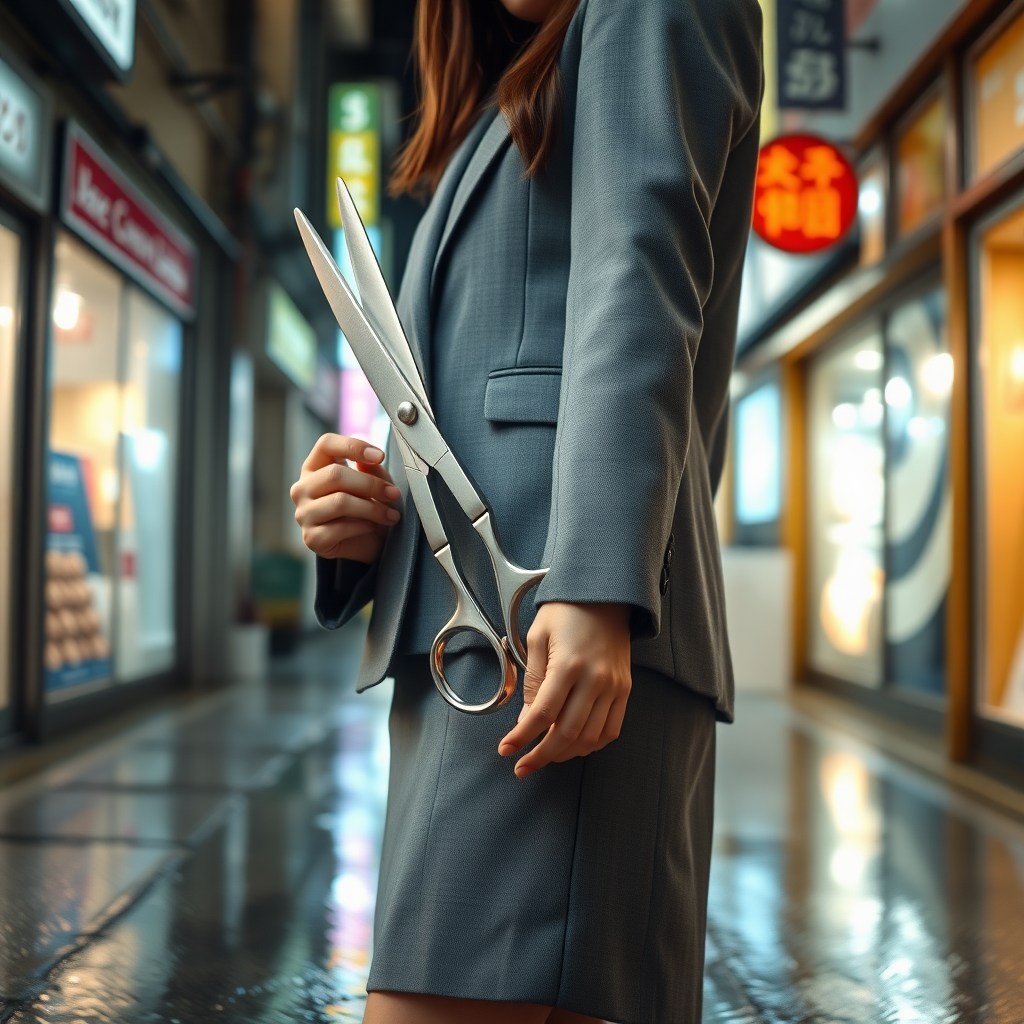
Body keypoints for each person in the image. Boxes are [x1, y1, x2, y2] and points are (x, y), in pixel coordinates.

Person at [290, 0, 763, 1020]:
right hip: (497, 646)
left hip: (553, 635)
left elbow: (637, 280)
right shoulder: (486, 116)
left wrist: (594, 584)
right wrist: (365, 516)